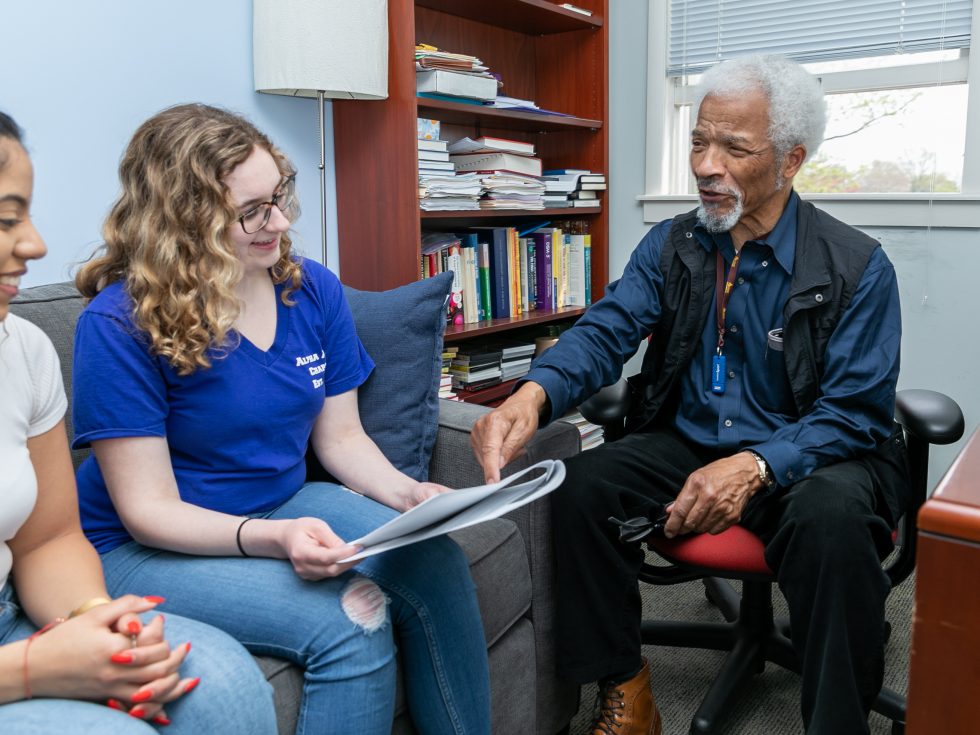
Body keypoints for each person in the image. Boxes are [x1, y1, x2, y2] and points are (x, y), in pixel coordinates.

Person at [471, 54, 908, 735]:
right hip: (689, 440)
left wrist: (758, 464)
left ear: (790, 161)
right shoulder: (671, 244)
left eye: (734, 147)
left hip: (810, 453)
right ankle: (627, 687)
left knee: (833, 524)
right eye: (700, 141)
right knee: (578, 488)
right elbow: (608, 329)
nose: (706, 164)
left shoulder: (856, 266)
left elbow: (854, 412)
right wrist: (535, 393)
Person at [71, 103, 490, 735]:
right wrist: (270, 539)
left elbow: (341, 436)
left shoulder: (309, 288)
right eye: (252, 211)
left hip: (282, 501)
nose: (281, 221)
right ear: (185, 220)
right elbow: (147, 511)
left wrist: (410, 495)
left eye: (280, 196)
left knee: (436, 560)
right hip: (140, 548)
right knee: (353, 618)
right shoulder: (117, 325)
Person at [0, 111, 276, 733]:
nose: (36, 244)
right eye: (5, 219)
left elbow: (46, 540)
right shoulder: (115, 322)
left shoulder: (23, 349)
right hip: (24, 651)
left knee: (225, 687)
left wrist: (98, 619)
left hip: (15, 611)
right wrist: (32, 669)